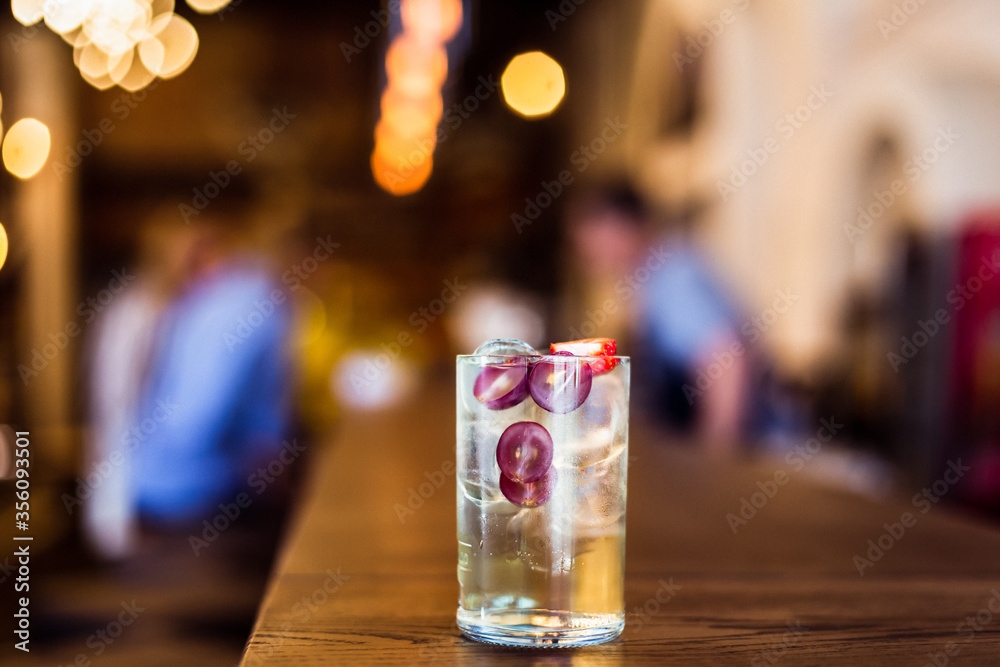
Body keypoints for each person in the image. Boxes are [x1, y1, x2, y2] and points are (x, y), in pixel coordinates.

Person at [565, 183, 750, 454]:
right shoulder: (651, 279)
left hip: (760, 456)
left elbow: (728, 361)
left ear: (622, 226)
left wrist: (714, 458)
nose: (581, 246)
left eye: (589, 228)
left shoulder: (674, 279)